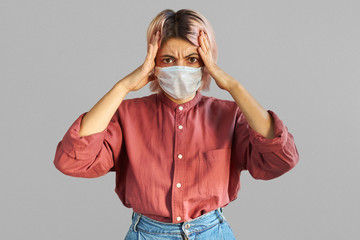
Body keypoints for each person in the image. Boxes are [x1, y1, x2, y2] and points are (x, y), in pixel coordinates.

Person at [54, 9, 299, 240]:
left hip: (212, 232)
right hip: (147, 233)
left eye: (192, 59)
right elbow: (73, 161)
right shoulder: (127, 115)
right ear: (154, 63)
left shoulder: (230, 115)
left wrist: (234, 87)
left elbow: (280, 159)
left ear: (205, 62)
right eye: (168, 59)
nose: (180, 69)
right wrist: (123, 87)